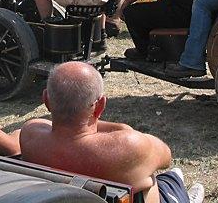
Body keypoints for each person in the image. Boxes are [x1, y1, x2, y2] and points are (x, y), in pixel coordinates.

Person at [19, 62, 203, 203]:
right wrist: (123, 129)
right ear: (100, 106)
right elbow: (165, 157)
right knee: (170, 177)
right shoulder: (129, 146)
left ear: (46, 100)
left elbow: (58, 128)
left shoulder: (30, 134)